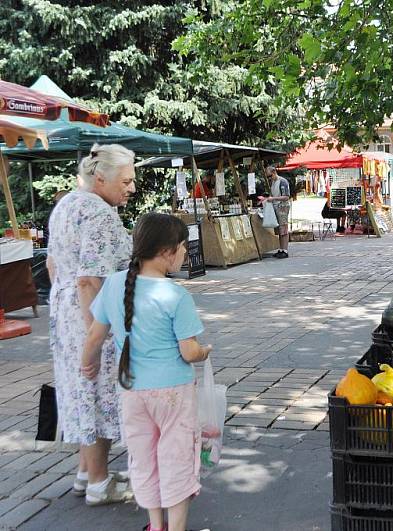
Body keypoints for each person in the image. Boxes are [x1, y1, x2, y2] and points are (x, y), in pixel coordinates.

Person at [81, 213, 211, 531]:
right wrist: (205, 351)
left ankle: (155, 525)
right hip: (173, 393)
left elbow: (94, 337)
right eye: (183, 247)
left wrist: (88, 365)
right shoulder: (176, 295)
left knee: (144, 459)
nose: (185, 252)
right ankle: (176, 527)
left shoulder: (114, 285)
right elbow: (189, 352)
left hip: (132, 391)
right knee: (176, 459)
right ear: (168, 251)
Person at [47, 143, 136, 505]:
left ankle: (86, 473)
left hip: (64, 312)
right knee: (96, 389)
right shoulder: (98, 213)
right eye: (126, 181)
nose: (131, 188)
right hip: (90, 313)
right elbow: (89, 280)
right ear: (101, 178)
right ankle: (99, 483)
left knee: (79, 391)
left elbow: (54, 267)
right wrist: (94, 339)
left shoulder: (66, 204)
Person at [263, 165, 292, 258]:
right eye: (268, 177)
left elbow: (286, 196)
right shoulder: (273, 182)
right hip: (276, 206)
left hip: (282, 207)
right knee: (279, 230)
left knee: (283, 228)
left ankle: (285, 250)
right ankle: (281, 249)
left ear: (274, 172)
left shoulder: (282, 182)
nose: (269, 178)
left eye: (270, 176)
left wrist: (273, 198)